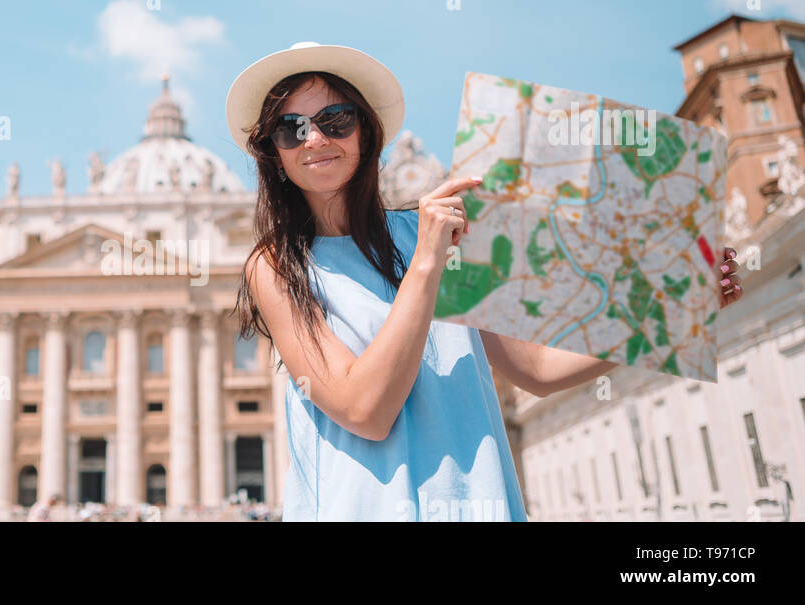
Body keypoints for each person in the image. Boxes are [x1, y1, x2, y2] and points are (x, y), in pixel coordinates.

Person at [226, 42, 745, 521]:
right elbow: (366, 410)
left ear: (366, 129)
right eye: (291, 128)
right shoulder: (275, 266)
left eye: (335, 119)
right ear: (274, 150)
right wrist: (427, 264)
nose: (314, 138)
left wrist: (672, 312)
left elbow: (538, 368)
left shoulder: (443, 234)